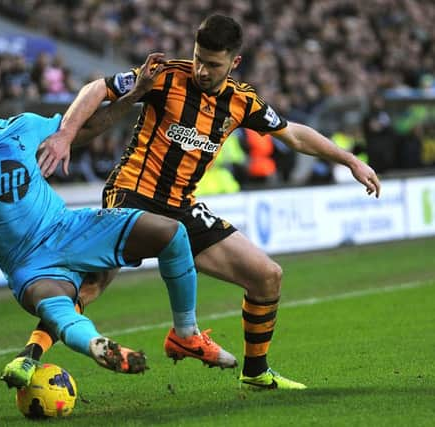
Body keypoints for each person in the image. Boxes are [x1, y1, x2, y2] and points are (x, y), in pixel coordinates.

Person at [29, 14, 382, 391]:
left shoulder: (242, 101)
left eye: (212, 64)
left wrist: (351, 160)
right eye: (198, 58)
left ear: (234, 63)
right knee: (95, 283)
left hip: (181, 206)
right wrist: (66, 134)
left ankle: (256, 372)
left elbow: (293, 134)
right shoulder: (165, 76)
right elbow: (97, 88)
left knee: (267, 276)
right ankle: (28, 358)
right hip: (132, 193)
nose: (201, 69)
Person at [0, 72, 236, 390]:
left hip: (71, 228)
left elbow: (86, 128)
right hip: (28, 263)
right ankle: (99, 346)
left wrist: (135, 94)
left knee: (171, 232)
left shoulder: (25, 128)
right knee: (58, 308)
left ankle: (185, 332)